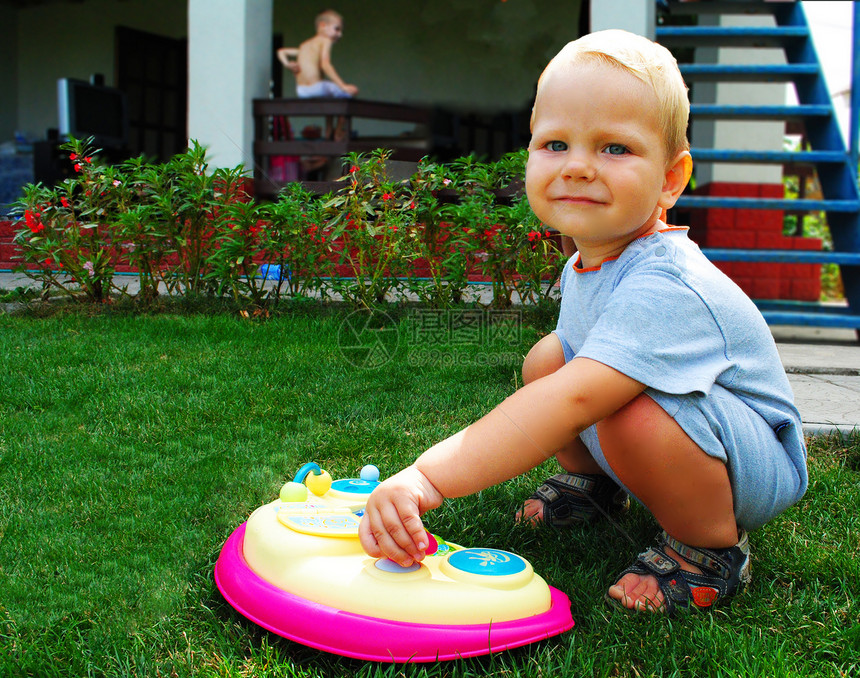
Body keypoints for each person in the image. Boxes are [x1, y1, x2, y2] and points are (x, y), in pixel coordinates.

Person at [358, 29, 808, 616]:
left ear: (671, 179)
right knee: (551, 356)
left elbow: (570, 404)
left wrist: (426, 478)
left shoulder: (665, 283)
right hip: (695, 431)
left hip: (751, 465)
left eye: (614, 149)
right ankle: (594, 487)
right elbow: (564, 383)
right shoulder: (588, 261)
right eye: (555, 144)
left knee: (620, 409)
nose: (577, 167)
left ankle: (709, 550)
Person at [277, 9, 359, 100]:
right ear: (323, 25)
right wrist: (343, 86)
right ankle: (341, 114)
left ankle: (330, 114)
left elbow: (281, 52)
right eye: (337, 29)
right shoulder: (325, 40)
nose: (340, 34)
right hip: (318, 88)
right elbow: (325, 65)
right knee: (348, 95)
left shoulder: (304, 46)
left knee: (330, 95)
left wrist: (287, 64)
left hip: (301, 91)